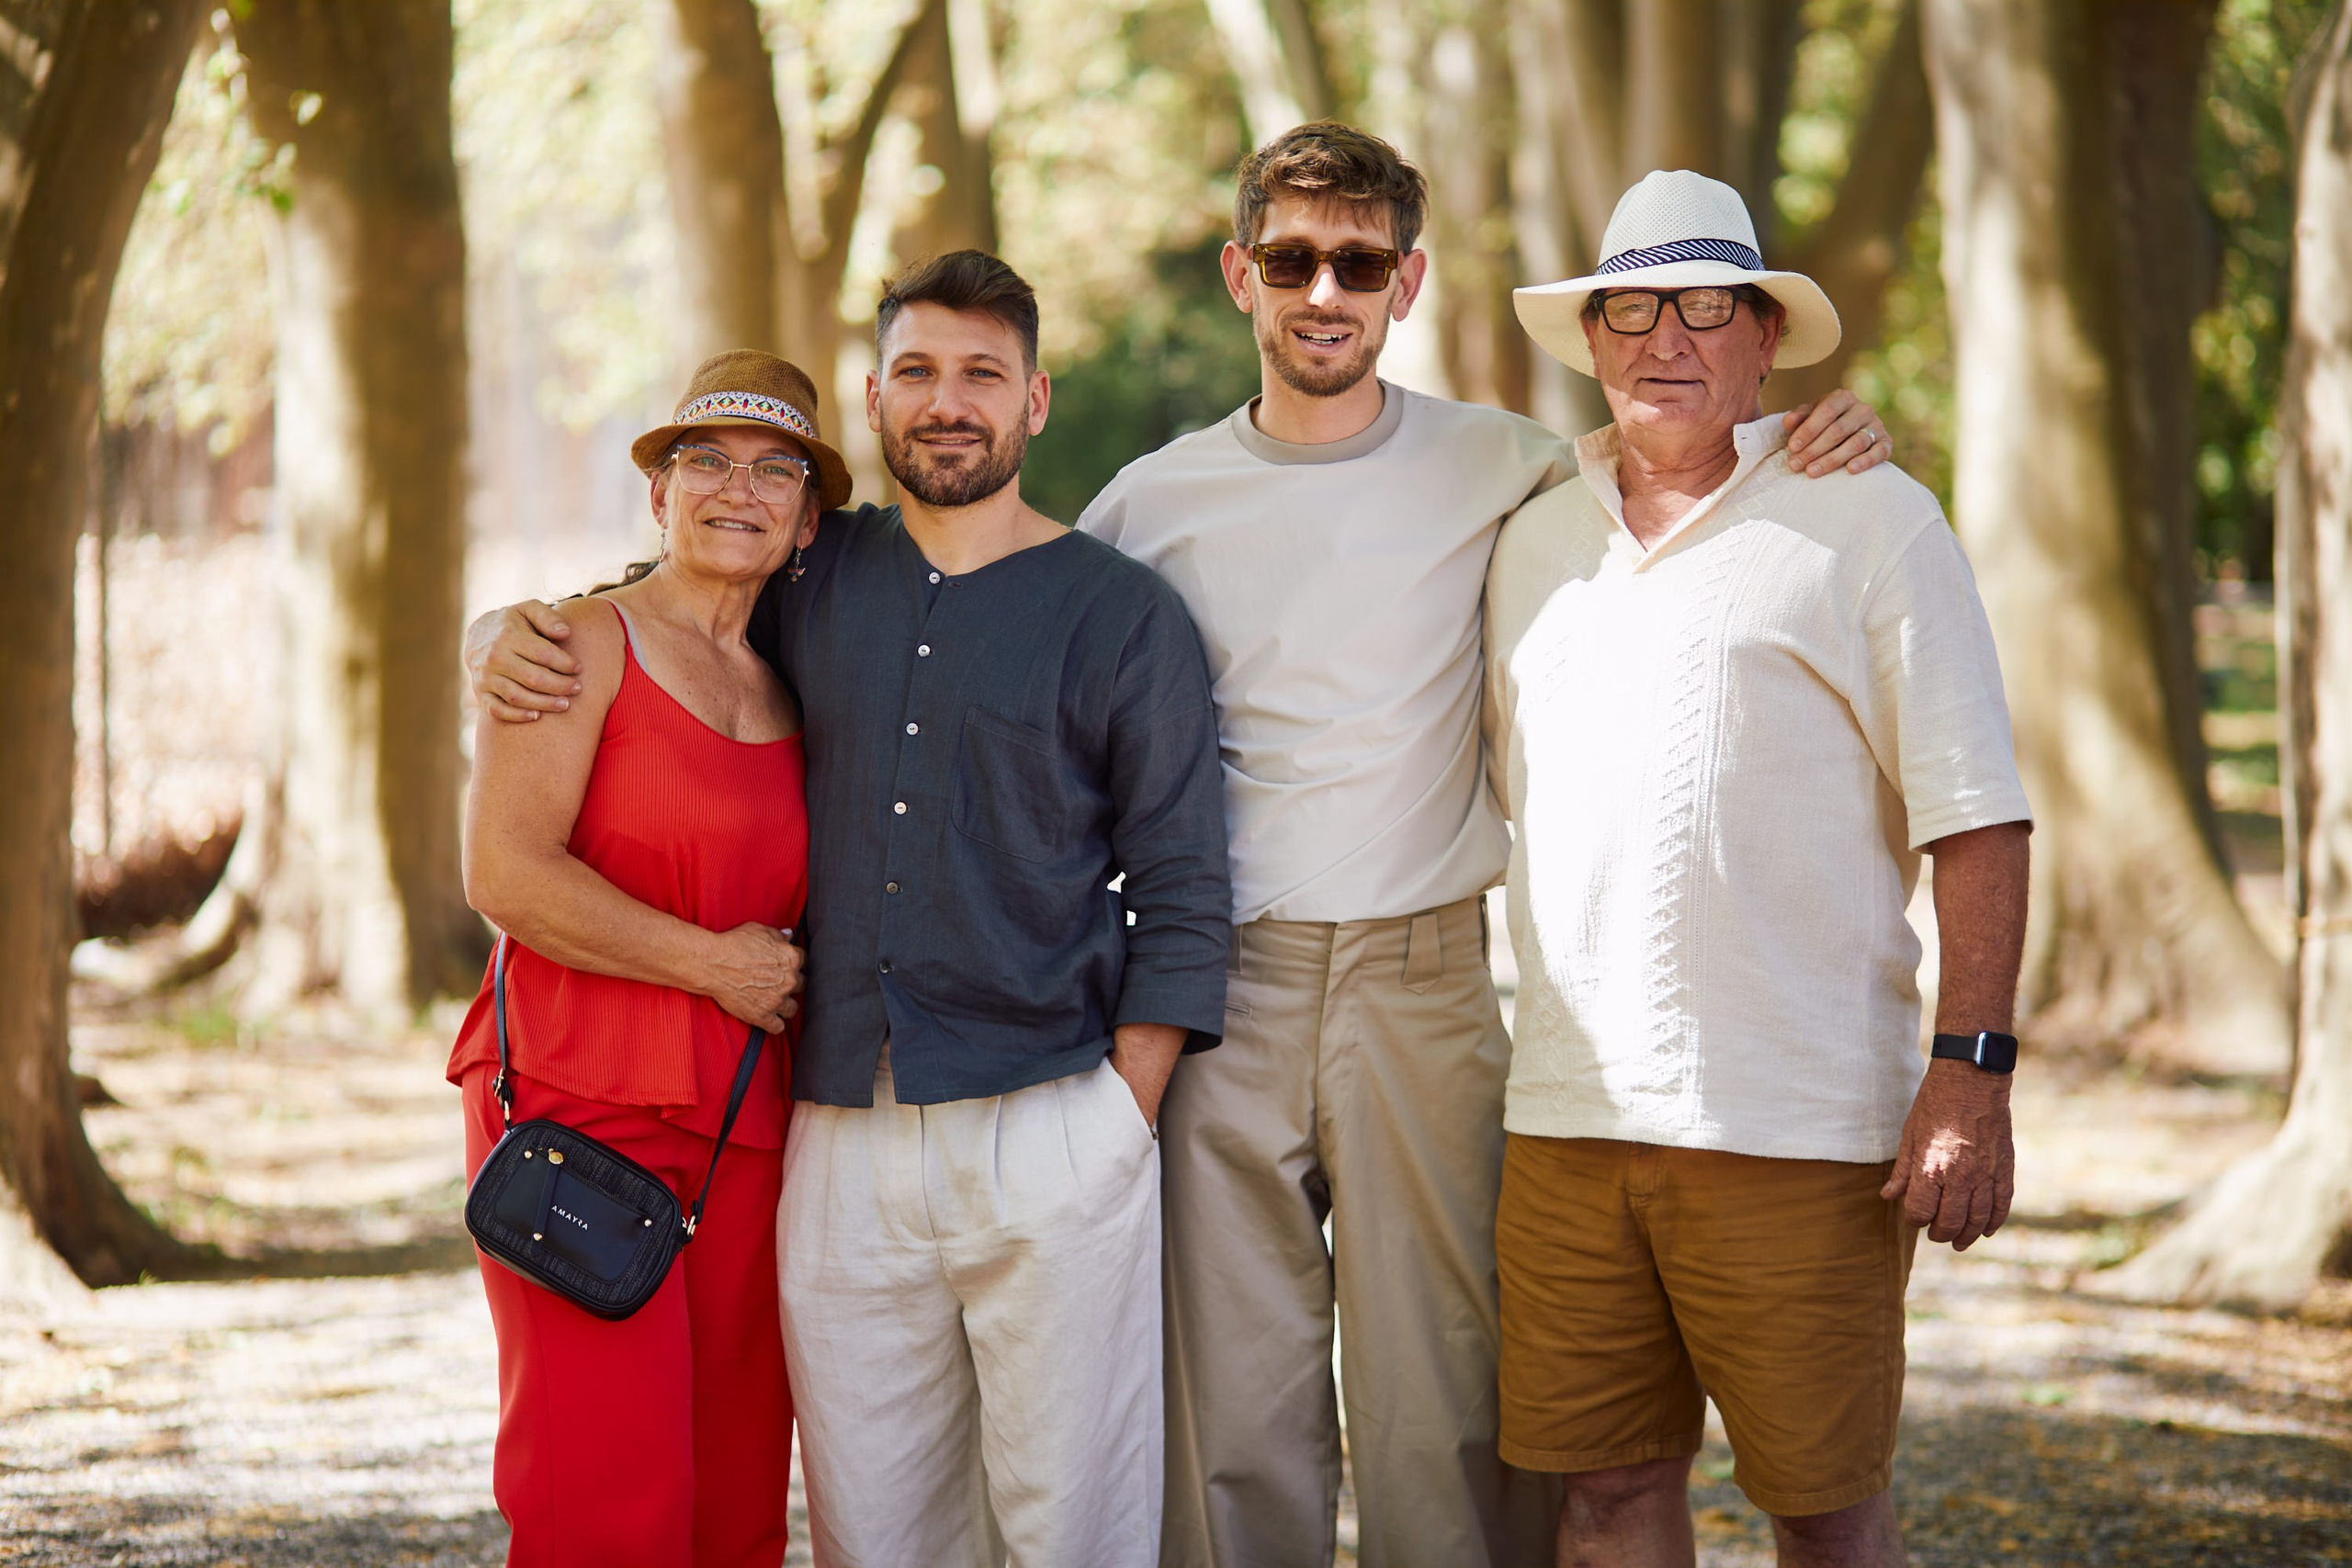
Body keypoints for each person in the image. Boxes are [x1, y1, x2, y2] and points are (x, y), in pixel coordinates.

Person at [1077, 123, 1895, 1568]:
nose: (1324, 292)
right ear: (1240, 276)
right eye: (1291, 260)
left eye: (1360, 264)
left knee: (1446, 1402)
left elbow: (1688, 463)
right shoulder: (1147, 505)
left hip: (1426, 982)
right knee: (1233, 1406)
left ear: (1407, 283)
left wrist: (1829, 434)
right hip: (1221, 994)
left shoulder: (1508, 467)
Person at [469, 253, 1231, 1568]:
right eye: (917, 372)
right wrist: (500, 629)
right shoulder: (803, 585)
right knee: (863, 1531)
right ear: (876, 401)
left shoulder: (1118, 614)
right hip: (824, 1133)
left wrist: (1122, 1117)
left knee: (1067, 1527)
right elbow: (660, 613)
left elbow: (1184, 886)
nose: (949, 402)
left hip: (1042, 1119)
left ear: (1036, 399)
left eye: (983, 374)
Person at [1487, 169, 2033, 1568]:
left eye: (1707, 307)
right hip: (1566, 1119)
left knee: (1825, 1512)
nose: (1667, 340)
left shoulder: (1875, 518)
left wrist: (1970, 1074)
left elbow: (1976, 814)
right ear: (1592, 336)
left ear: (1766, 336)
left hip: (1798, 1125)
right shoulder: (1530, 537)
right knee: (1606, 1499)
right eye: (1632, 311)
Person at [451, 349, 835, 1566]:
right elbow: (506, 874)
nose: (739, 488)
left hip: (746, 1128)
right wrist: (714, 967)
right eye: (707, 460)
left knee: (734, 1495)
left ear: (809, 520)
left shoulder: (799, 678)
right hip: (581, 1103)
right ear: (659, 494)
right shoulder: (575, 645)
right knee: (606, 1497)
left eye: (776, 469)